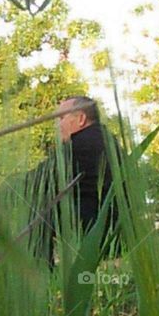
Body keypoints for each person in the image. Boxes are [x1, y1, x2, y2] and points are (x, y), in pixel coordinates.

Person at [27, 96, 122, 262]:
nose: (57, 125)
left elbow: (39, 179)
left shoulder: (82, 144)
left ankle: (37, 273)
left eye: (61, 118)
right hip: (118, 230)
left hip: (98, 233)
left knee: (34, 197)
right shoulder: (107, 140)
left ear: (81, 119)